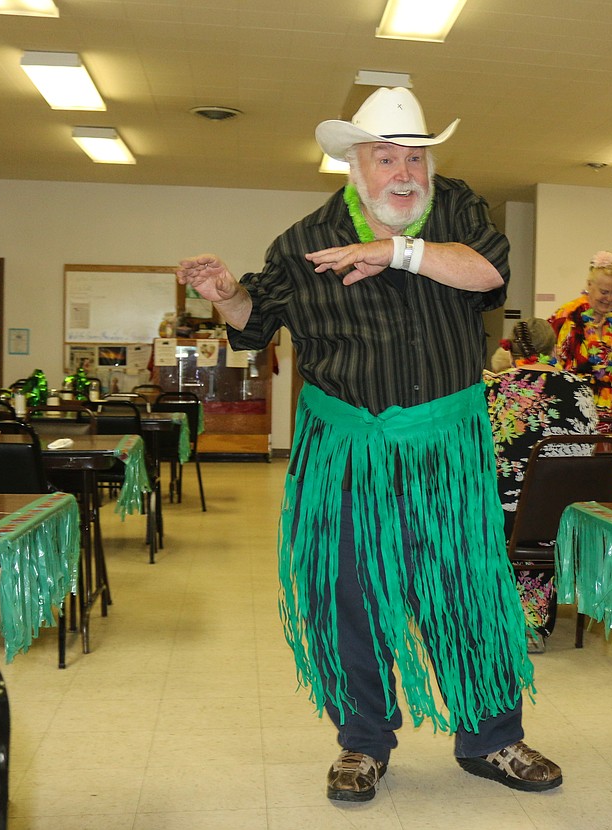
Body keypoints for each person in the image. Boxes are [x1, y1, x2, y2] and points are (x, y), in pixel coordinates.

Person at [176, 87, 561, 803]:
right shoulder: (301, 239)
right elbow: (255, 321)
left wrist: (395, 251)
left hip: (443, 448)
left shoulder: (458, 209)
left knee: (465, 588)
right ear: (354, 164)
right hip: (345, 450)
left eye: (415, 154)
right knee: (346, 593)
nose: (404, 171)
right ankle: (362, 743)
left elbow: (488, 273)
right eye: (387, 156)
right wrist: (226, 293)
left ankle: (491, 738)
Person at [485, 318, 597, 653]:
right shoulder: (580, 389)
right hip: (566, 518)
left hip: (503, 516)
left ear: (513, 350)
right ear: (553, 348)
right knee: (540, 508)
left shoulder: (491, 389)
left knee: (494, 504)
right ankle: (530, 623)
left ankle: (496, 617)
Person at [547, 250, 612, 422]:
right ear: (589, 285)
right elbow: (547, 363)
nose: (609, 298)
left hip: (609, 420)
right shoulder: (566, 317)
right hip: (568, 417)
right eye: (604, 292)